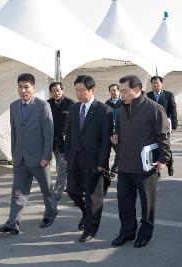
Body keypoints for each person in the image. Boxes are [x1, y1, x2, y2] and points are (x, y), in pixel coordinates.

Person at [0, 73, 58, 235]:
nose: (23, 90)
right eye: (20, 87)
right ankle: (13, 223)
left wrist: (46, 156)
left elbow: (49, 133)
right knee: (18, 191)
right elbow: (14, 131)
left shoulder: (43, 106)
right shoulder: (14, 106)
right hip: (20, 158)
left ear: (33, 88)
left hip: (39, 158)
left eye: (26, 87)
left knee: (46, 189)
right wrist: (14, 153)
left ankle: (51, 213)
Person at [110, 75, 170, 248]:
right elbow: (119, 131)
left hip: (146, 167)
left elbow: (163, 136)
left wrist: (163, 159)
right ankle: (127, 232)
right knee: (124, 203)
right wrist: (116, 138)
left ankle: (145, 233)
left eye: (124, 91)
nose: (120, 94)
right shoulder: (121, 109)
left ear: (136, 90)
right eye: (120, 91)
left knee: (147, 204)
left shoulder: (154, 109)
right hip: (125, 166)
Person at [64, 75, 113, 242]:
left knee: (94, 198)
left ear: (92, 90)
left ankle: (91, 229)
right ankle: (86, 213)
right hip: (75, 160)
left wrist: (102, 163)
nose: (78, 94)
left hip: (94, 162)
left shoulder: (104, 110)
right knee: (72, 190)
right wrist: (67, 156)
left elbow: (106, 141)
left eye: (82, 90)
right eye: (76, 90)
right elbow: (69, 135)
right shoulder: (73, 109)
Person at [47, 82, 75, 201]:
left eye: (58, 90)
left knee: (63, 167)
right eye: (54, 91)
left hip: (66, 143)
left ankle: (57, 192)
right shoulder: (47, 104)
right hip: (52, 142)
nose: (56, 93)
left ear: (62, 90)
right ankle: (70, 186)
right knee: (60, 166)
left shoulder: (70, 104)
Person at [147, 76, 177, 176]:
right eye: (153, 83)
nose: (156, 85)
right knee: (154, 147)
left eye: (158, 83)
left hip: (165, 125)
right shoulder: (148, 95)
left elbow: (173, 110)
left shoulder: (168, 95)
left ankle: (170, 163)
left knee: (165, 145)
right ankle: (156, 171)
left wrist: (174, 124)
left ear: (161, 84)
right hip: (152, 125)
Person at [105, 84, 122, 177]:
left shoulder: (123, 102)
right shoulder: (107, 103)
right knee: (106, 152)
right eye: (111, 90)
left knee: (119, 151)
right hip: (109, 132)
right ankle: (106, 170)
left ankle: (115, 169)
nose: (113, 92)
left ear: (119, 91)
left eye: (115, 90)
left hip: (120, 132)